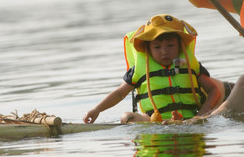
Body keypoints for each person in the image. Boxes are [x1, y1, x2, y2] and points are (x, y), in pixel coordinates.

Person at [83, 14, 229, 124]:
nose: (164, 51)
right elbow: (120, 93)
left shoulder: (188, 65)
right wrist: (97, 109)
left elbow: (214, 90)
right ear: (148, 49)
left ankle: (177, 121)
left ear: (180, 45)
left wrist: (201, 115)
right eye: (157, 47)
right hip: (153, 121)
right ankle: (171, 122)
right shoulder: (138, 71)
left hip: (189, 119)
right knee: (127, 117)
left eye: (170, 46)